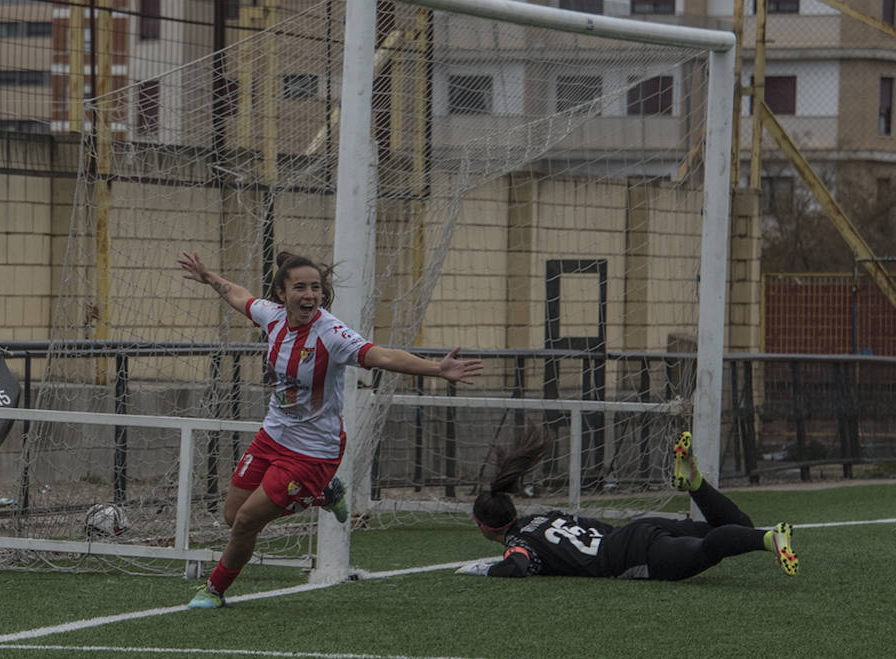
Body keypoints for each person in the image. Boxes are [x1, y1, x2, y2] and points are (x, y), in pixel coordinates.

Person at [178, 249, 485, 608]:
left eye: (316, 288)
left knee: (247, 521)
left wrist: (437, 369)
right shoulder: (272, 317)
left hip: (313, 450)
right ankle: (323, 494)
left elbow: (382, 356)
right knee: (233, 516)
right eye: (301, 288)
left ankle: (213, 590)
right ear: (281, 293)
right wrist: (209, 277)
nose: (310, 295)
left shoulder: (331, 333)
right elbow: (239, 296)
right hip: (273, 436)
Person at [460, 427, 798, 581]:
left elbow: (518, 565)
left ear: (484, 528)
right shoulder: (543, 517)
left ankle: (771, 539)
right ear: (514, 510)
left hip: (629, 557)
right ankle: (694, 482)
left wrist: (485, 570)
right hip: (632, 533)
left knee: (707, 550)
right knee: (736, 525)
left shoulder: (519, 543)